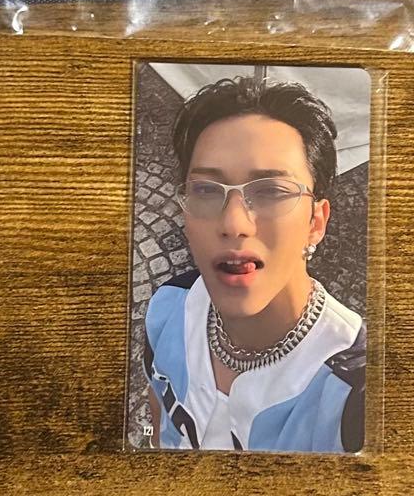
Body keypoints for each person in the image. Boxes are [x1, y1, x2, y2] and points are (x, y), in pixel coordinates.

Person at [142, 76, 365, 453]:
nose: (233, 224)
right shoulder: (170, 306)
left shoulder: (355, 391)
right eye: (206, 190)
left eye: (271, 192)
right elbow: (158, 414)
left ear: (316, 222)